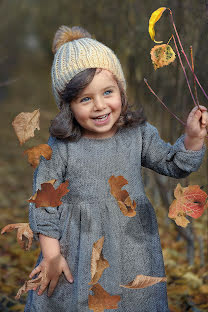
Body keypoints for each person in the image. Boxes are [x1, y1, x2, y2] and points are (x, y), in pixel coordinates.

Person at [25, 25, 207, 312]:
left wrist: (193, 139)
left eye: (107, 92)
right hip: (78, 248)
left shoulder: (138, 133)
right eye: (85, 99)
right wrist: (51, 256)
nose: (99, 106)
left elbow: (173, 164)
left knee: (136, 301)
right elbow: (45, 202)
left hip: (133, 244)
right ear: (67, 105)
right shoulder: (61, 146)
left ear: (120, 90)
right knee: (76, 300)